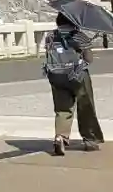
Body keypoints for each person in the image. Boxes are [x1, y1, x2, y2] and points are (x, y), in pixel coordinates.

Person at [43, 12, 105, 155]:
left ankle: (60, 137)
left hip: (56, 76)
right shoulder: (79, 36)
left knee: (62, 109)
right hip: (78, 76)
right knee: (85, 107)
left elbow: (49, 55)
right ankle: (90, 140)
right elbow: (88, 59)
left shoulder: (50, 36)